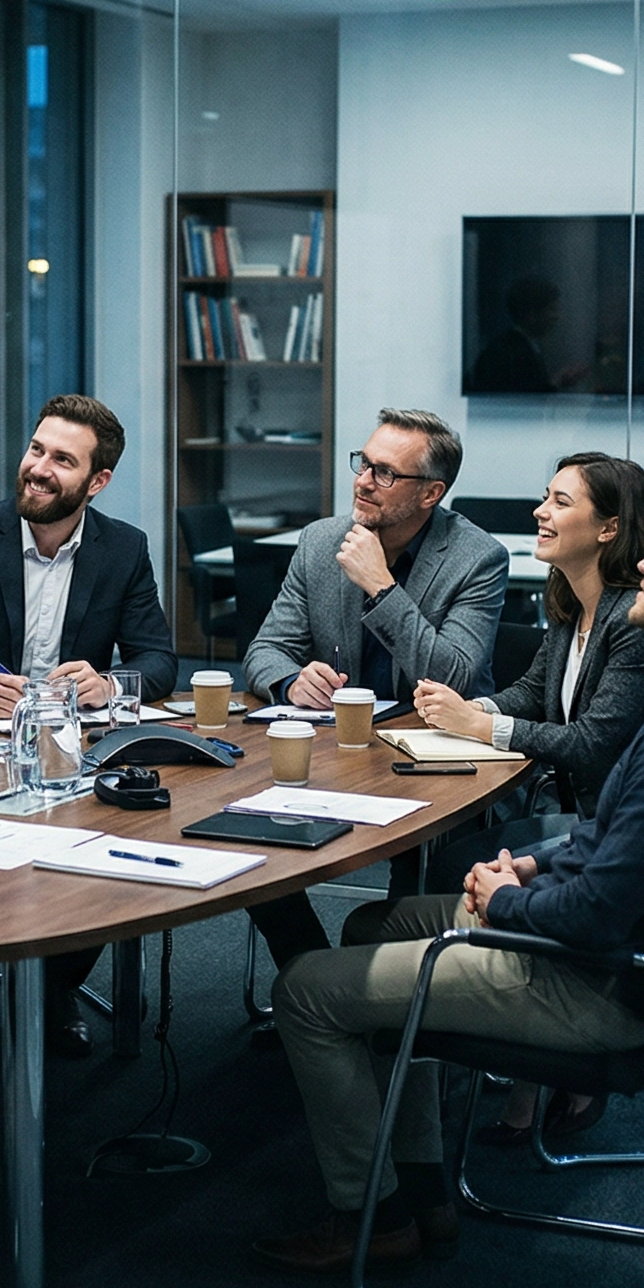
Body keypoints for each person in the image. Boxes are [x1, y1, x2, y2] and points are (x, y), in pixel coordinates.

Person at [252, 492, 644, 1274]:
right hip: (599, 949)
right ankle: (422, 1182)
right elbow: (609, 840)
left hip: (599, 985)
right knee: (370, 928)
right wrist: (531, 863)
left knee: (306, 993)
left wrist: (505, 899)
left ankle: (373, 1215)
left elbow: (595, 912)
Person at [0, 395, 178, 1060]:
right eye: (37, 450)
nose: (39, 469)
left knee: (113, 848)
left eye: (62, 460)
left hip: (71, 751)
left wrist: (108, 685)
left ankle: (54, 985)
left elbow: (160, 658)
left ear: (96, 482)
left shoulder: (123, 549)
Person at [404, 454, 644, 1143]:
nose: (538, 514)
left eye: (558, 502)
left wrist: (482, 725)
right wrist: (467, 707)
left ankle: (540, 1043)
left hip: (600, 827)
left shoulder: (631, 624)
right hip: (567, 811)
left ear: (609, 528)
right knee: (455, 859)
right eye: (544, 499)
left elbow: (593, 744)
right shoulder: (571, 606)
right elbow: (532, 694)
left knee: (458, 862)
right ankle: (509, 1023)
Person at [238, 410, 509, 977]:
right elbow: (263, 651)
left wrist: (380, 584)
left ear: (431, 493)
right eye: (364, 463)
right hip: (338, 756)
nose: (362, 480)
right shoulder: (319, 543)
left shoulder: (476, 558)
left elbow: (453, 675)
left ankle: (374, 1001)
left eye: (386, 473)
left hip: (435, 764)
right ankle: (309, 977)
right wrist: (292, 681)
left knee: (415, 892)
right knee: (242, 840)